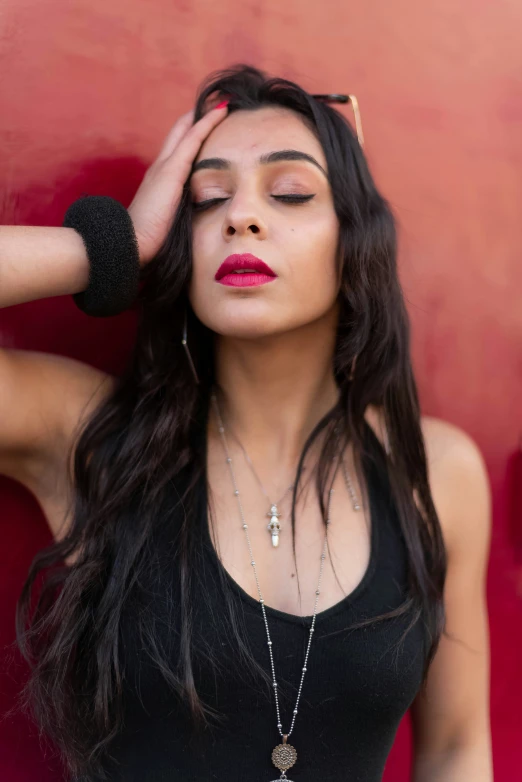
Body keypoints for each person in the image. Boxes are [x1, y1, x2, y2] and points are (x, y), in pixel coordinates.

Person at [0, 64, 493, 781]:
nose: (243, 215)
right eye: (206, 198)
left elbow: (454, 748)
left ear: (356, 243)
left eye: (290, 192)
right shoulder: (90, 438)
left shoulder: (437, 471)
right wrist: (116, 246)